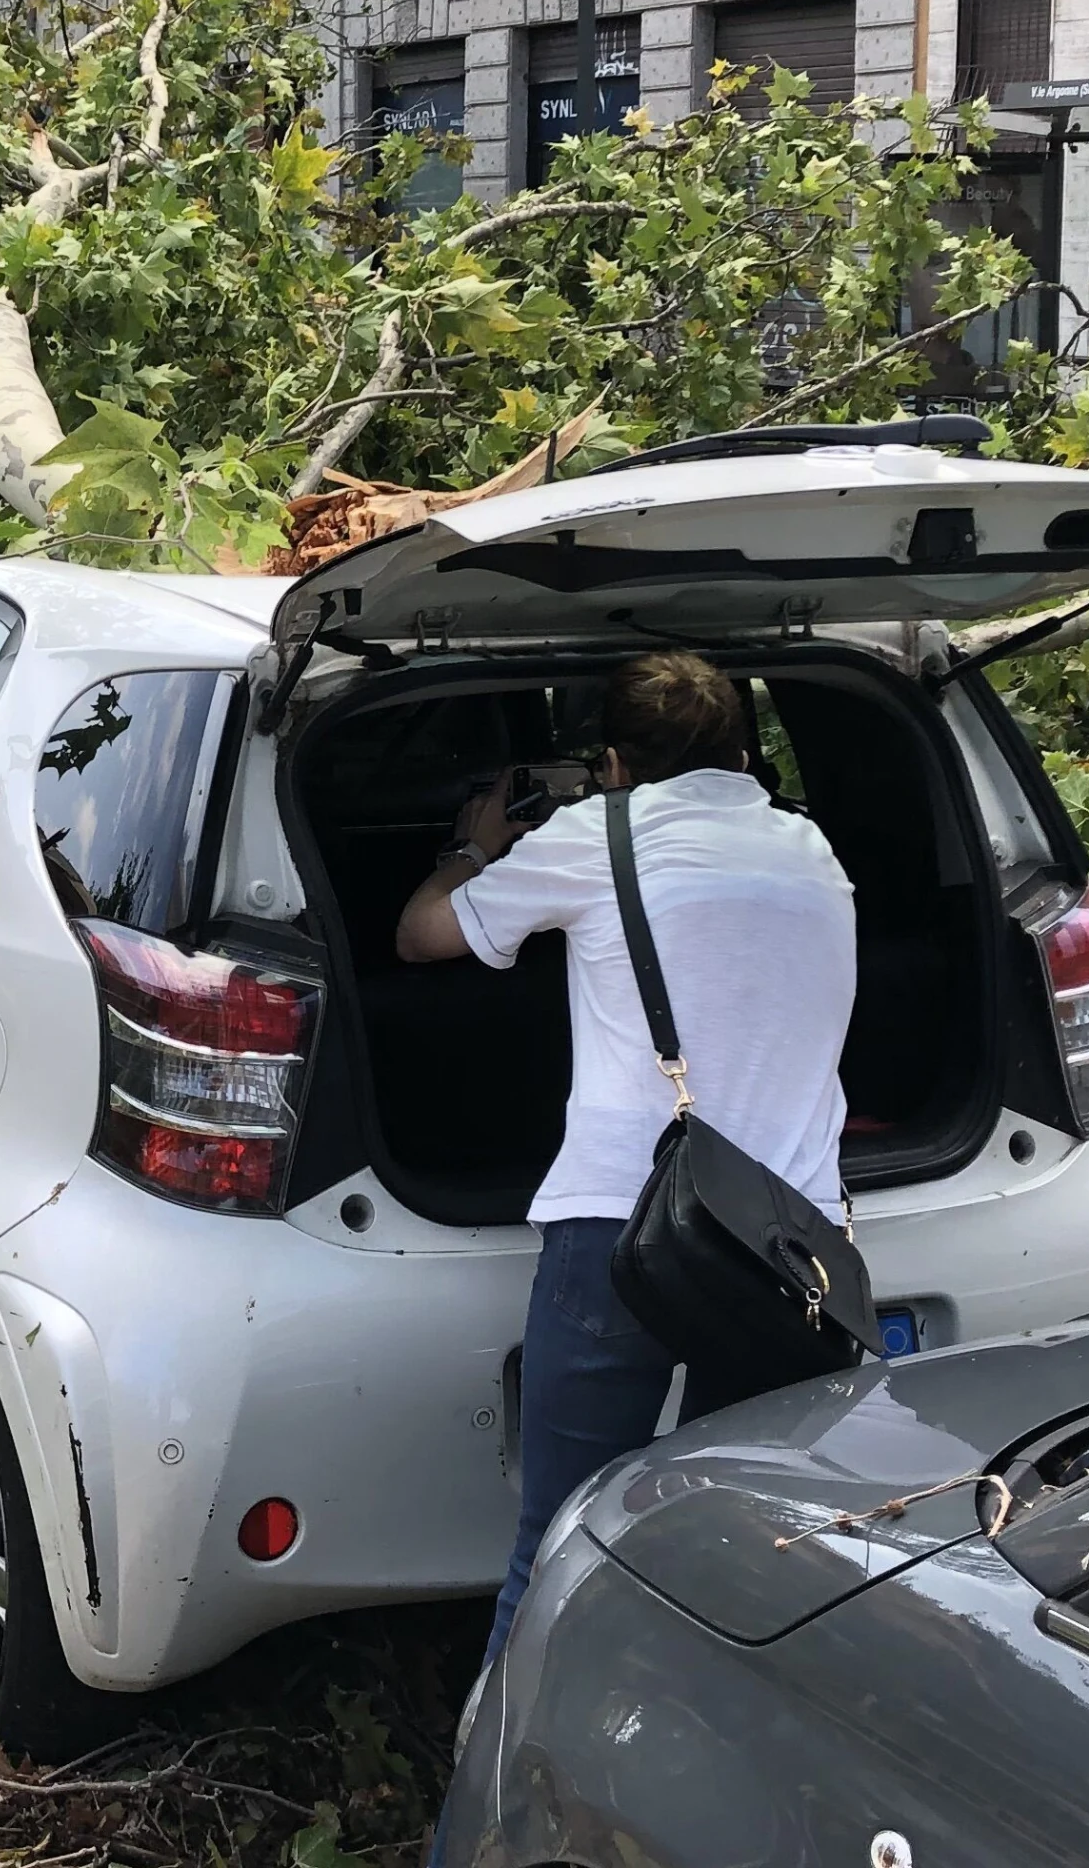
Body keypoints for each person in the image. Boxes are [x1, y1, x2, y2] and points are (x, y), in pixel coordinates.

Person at [393, 650, 858, 1672]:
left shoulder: (592, 840)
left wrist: (474, 852)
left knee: (557, 1547)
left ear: (610, 764)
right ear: (744, 748)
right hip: (790, 1251)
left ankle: (495, 1813)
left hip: (621, 1226)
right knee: (728, 1550)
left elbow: (419, 938)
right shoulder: (816, 851)